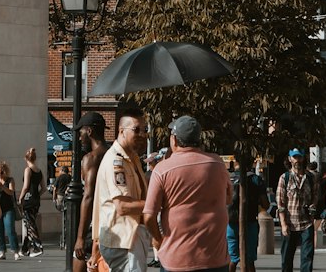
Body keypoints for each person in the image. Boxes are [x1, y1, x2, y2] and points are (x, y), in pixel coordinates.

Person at [143, 116, 230, 272]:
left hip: (177, 260)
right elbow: (228, 198)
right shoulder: (218, 164)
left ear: (174, 140)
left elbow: (149, 216)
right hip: (215, 259)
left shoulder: (162, 169)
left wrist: (158, 240)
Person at [91, 105, 149, 272]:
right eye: (136, 130)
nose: (141, 135)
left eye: (144, 129)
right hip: (123, 239)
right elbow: (122, 207)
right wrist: (155, 203)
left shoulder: (132, 158)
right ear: (121, 130)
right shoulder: (115, 161)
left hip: (130, 236)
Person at [73, 110, 110, 272]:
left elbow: (88, 196)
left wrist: (80, 237)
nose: (80, 137)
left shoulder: (91, 158)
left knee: (79, 259)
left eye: (81, 132)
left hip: (94, 224)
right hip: (111, 222)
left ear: (89, 131)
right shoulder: (113, 154)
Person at [276, 150, 317, 272]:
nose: (297, 160)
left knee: (307, 258)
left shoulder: (311, 177)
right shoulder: (285, 178)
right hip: (289, 224)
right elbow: (281, 203)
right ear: (290, 159)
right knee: (286, 260)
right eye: (294, 157)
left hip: (306, 223)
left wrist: (312, 209)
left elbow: (315, 197)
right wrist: (283, 224)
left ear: (303, 158)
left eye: (299, 157)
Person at [226, 164, 268, 272]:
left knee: (232, 259)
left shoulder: (228, 177)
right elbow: (266, 204)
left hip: (231, 222)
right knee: (249, 260)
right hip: (250, 221)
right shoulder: (256, 179)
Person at [18, 146, 46, 256]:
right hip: (35, 200)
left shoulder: (27, 170)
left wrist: (20, 198)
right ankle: (25, 249)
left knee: (30, 223)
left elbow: (25, 186)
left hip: (28, 200)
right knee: (28, 223)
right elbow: (43, 188)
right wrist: (37, 195)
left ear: (26, 159)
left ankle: (37, 247)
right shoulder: (39, 171)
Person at [0, 161, 20, 261]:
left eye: (2, 172)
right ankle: (2, 251)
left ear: (5, 172)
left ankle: (15, 251)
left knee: (10, 230)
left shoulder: (10, 180)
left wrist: (3, 187)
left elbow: (11, 192)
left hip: (8, 209)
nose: (0, 175)